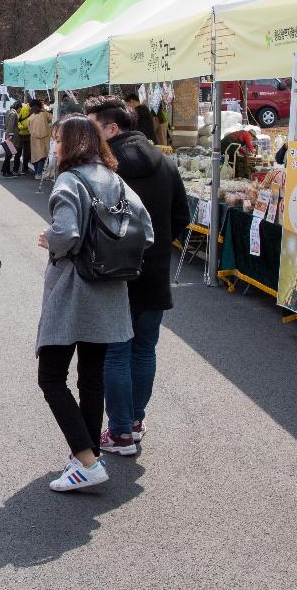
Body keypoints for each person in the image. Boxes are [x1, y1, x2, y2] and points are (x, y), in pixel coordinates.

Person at [37, 115, 140, 492]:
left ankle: (88, 460)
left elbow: (66, 232)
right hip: (110, 290)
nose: (56, 145)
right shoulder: (115, 179)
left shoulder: (69, 180)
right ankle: (87, 453)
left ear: (71, 143)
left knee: (51, 377)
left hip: (74, 289)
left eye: (59, 138)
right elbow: (145, 231)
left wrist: (50, 238)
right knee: (90, 378)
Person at [86, 96, 188, 456]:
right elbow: (182, 217)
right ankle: (134, 422)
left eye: (93, 126)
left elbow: (92, 223)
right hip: (156, 270)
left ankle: (119, 432)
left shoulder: (105, 167)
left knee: (117, 352)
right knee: (145, 349)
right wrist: (157, 248)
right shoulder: (166, 161)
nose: (87, 133)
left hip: (117, 273)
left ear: (112, 129)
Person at [28, 99, 54, 178]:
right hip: (45, 139)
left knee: (36, 157)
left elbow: (28, 128)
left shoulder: (31, 117)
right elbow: (54, 118)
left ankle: (37, 172)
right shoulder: (44, 114)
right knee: (43, 156)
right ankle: (39, 173)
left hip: (34, 139)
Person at [0, 101, 20, 178]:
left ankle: (6, 171)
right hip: (11, 136)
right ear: (19, 107)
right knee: (9, 154)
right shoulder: (13, 114)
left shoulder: (9, 112)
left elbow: (6, 125)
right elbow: (11, 125)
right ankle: (5, 172)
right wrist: (11, 135)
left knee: (8, 154)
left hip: (8, 135)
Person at [16, 99, 33, 174]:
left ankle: (24, 168)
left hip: (28, 134)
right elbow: (17, 120)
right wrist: (22, 127)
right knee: (19, 152)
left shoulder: (32, 110)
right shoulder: (23, 108)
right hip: (20, 134)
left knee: (27, 152)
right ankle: (16, 169)